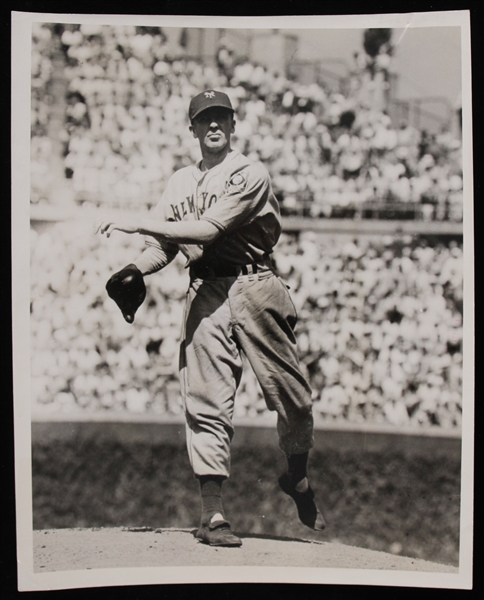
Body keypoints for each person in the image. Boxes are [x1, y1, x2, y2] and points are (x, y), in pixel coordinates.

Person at [96, 90, 325, 547]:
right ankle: (213, 515)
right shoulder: (179, 181)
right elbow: (166, 246)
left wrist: (138, 222)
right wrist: (133, 268)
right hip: (204, 289)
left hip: (255, 286)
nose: (214, 126)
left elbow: (207, 230)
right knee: (205, 400)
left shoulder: (249, 173)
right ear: (193, 129)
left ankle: (296, 479)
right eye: (205, 120)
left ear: (233, 125)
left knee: (294, 401)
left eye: (221, 117)